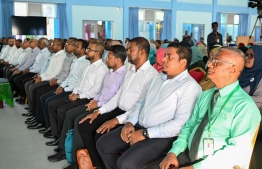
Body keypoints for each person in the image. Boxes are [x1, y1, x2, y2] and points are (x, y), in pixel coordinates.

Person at [147, 47, 261, 169]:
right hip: (188, 155)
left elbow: (237, 151)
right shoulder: (206, 94)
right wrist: (173, 152)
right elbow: (189, 127)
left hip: (215, 164)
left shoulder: (245, 106)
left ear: (233, 69)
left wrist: (196, 167)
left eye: (216, 62)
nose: (209, 64)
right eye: (211, 60)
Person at [96, 43, 202, 169]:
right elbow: (141, 102)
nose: (163, 59)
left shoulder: (190, 87)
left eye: (169, 57)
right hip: (139, 126)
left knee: (126, 163)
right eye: (165, 56)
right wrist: (129, 123)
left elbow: (180, 124)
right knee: (103, 144)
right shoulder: (158, 78)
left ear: (183, 62)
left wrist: (145, 134)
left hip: (163, 136)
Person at [61, 37, 158, 169]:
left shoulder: (150, 75)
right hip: (119, 110)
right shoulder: (131, 71)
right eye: (128, 49)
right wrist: (99, 111)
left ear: (142, 52)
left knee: (99, 132)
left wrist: (116, 120)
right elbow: (118, 96)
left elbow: (140, 106)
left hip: (131, 116)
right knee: (85, 123)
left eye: (131, 49)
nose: (127, 52)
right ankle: (94, 163)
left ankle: (99, 164)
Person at [47, 44, 127, 164]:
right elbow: (102, 91)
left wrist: (97, 103)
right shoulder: (109, 73)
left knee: (78, 120)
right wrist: (94, 101)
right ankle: (65, 147)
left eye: (109, 57)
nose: (106, 59)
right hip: (96, 102)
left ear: (118, 59)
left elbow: (115, 97)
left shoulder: (123, 74)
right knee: (69, 113)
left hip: (108, 107)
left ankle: (75, 158)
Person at [239, 45, 262, 113]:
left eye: (251, 56)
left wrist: (236, 101)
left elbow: (259, 100)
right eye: (246, 55)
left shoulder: (260, 76)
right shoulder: (241, 71)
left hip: (250, 113)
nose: (246, 58)